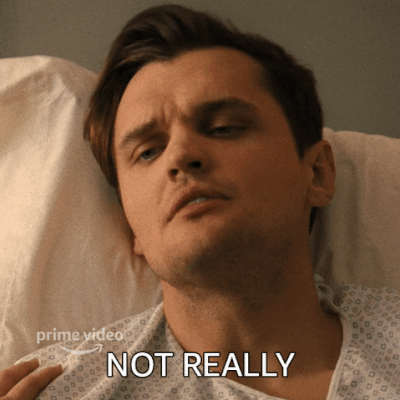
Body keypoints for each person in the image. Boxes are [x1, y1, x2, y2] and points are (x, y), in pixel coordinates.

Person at [1, 5, 399, 400]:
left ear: (317, 173)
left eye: (224, 128)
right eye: (148, 151)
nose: (180, 155)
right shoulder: (57, 390)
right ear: (131, 224)